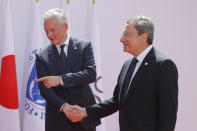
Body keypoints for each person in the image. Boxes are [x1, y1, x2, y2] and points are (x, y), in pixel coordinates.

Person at [69, 15, 179, 131]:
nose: (121, 39)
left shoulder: (163, 65)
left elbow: (168, 115)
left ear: (144, 37)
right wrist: (85, 112)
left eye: (127, 34)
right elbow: (117, 101)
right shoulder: (127, 65)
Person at [36, 8, 100, 131]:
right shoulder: (41, 56)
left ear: (65, 26)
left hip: (83, 115)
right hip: (57, 119)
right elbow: (44, 89)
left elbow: (90, 74)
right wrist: (64, 107)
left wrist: (61, 79)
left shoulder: (84, 46)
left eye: (52, 30)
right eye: (46, 31)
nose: (49, 35)